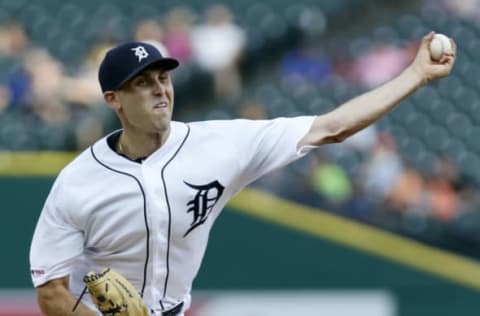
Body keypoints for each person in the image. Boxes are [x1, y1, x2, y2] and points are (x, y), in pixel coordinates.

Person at [29, 32, 456, 315]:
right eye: (142, 82)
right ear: (113, 99)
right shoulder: (77, 182)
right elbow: (51, 292)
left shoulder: (220, 145)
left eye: (163, 77)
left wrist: (415, 75)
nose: (160, 88)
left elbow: (331, 127)